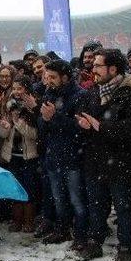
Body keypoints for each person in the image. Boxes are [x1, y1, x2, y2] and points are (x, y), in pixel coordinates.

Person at [75, 48, 131, 261]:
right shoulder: (93, 91)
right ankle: (95, 242)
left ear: (113, 69)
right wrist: (83, 125)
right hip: (95, 160)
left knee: (124, 207)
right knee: (97, 205)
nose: (93, 69)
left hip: (122, 161)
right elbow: (83, 117)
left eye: (98, 65)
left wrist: (101, 126)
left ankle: (124, 248)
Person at [38, 59, 89, 247]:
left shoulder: (80, 96)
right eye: (46, 77)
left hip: (73, 156)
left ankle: (82, 234)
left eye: (53, 77)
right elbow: (42, 125)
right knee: (58, 197)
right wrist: (45, 119)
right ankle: (62, 229)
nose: (48, 81)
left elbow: (80, 128)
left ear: (65, 77)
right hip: (53, 155)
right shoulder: (48, 94)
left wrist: (55, 117)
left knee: (77, 199)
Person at [0, 75, 39, 233]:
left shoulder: (32, 108)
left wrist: (17, 122)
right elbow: (3, 135)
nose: (16, 92)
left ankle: (29, 221)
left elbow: (34, 134)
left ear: (27, 90)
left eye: (19, 88)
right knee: (15, 189)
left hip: (28, 156)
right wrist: (5, 127)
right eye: (14, 88)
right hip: (12, 155)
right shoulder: (9, 106)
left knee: (29, 189)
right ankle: (16, 221)